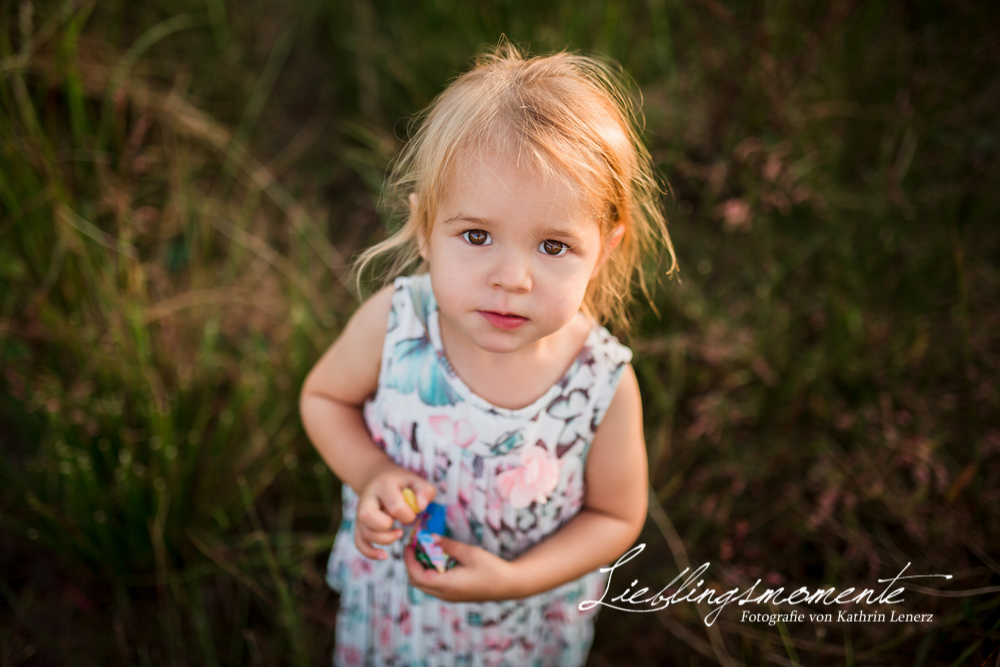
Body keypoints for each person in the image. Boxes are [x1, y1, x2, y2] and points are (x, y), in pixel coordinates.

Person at [300, 42, 677, 667]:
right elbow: (324, 398)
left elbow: (615, 515)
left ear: (604, 251)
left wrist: (516, 579)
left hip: (520, 627)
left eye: (553, 247)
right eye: (477, 236)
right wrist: (372, 474)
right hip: (400, 607)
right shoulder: (397, 326)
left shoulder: (599, 381)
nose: (513, 278)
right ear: (425, 228)